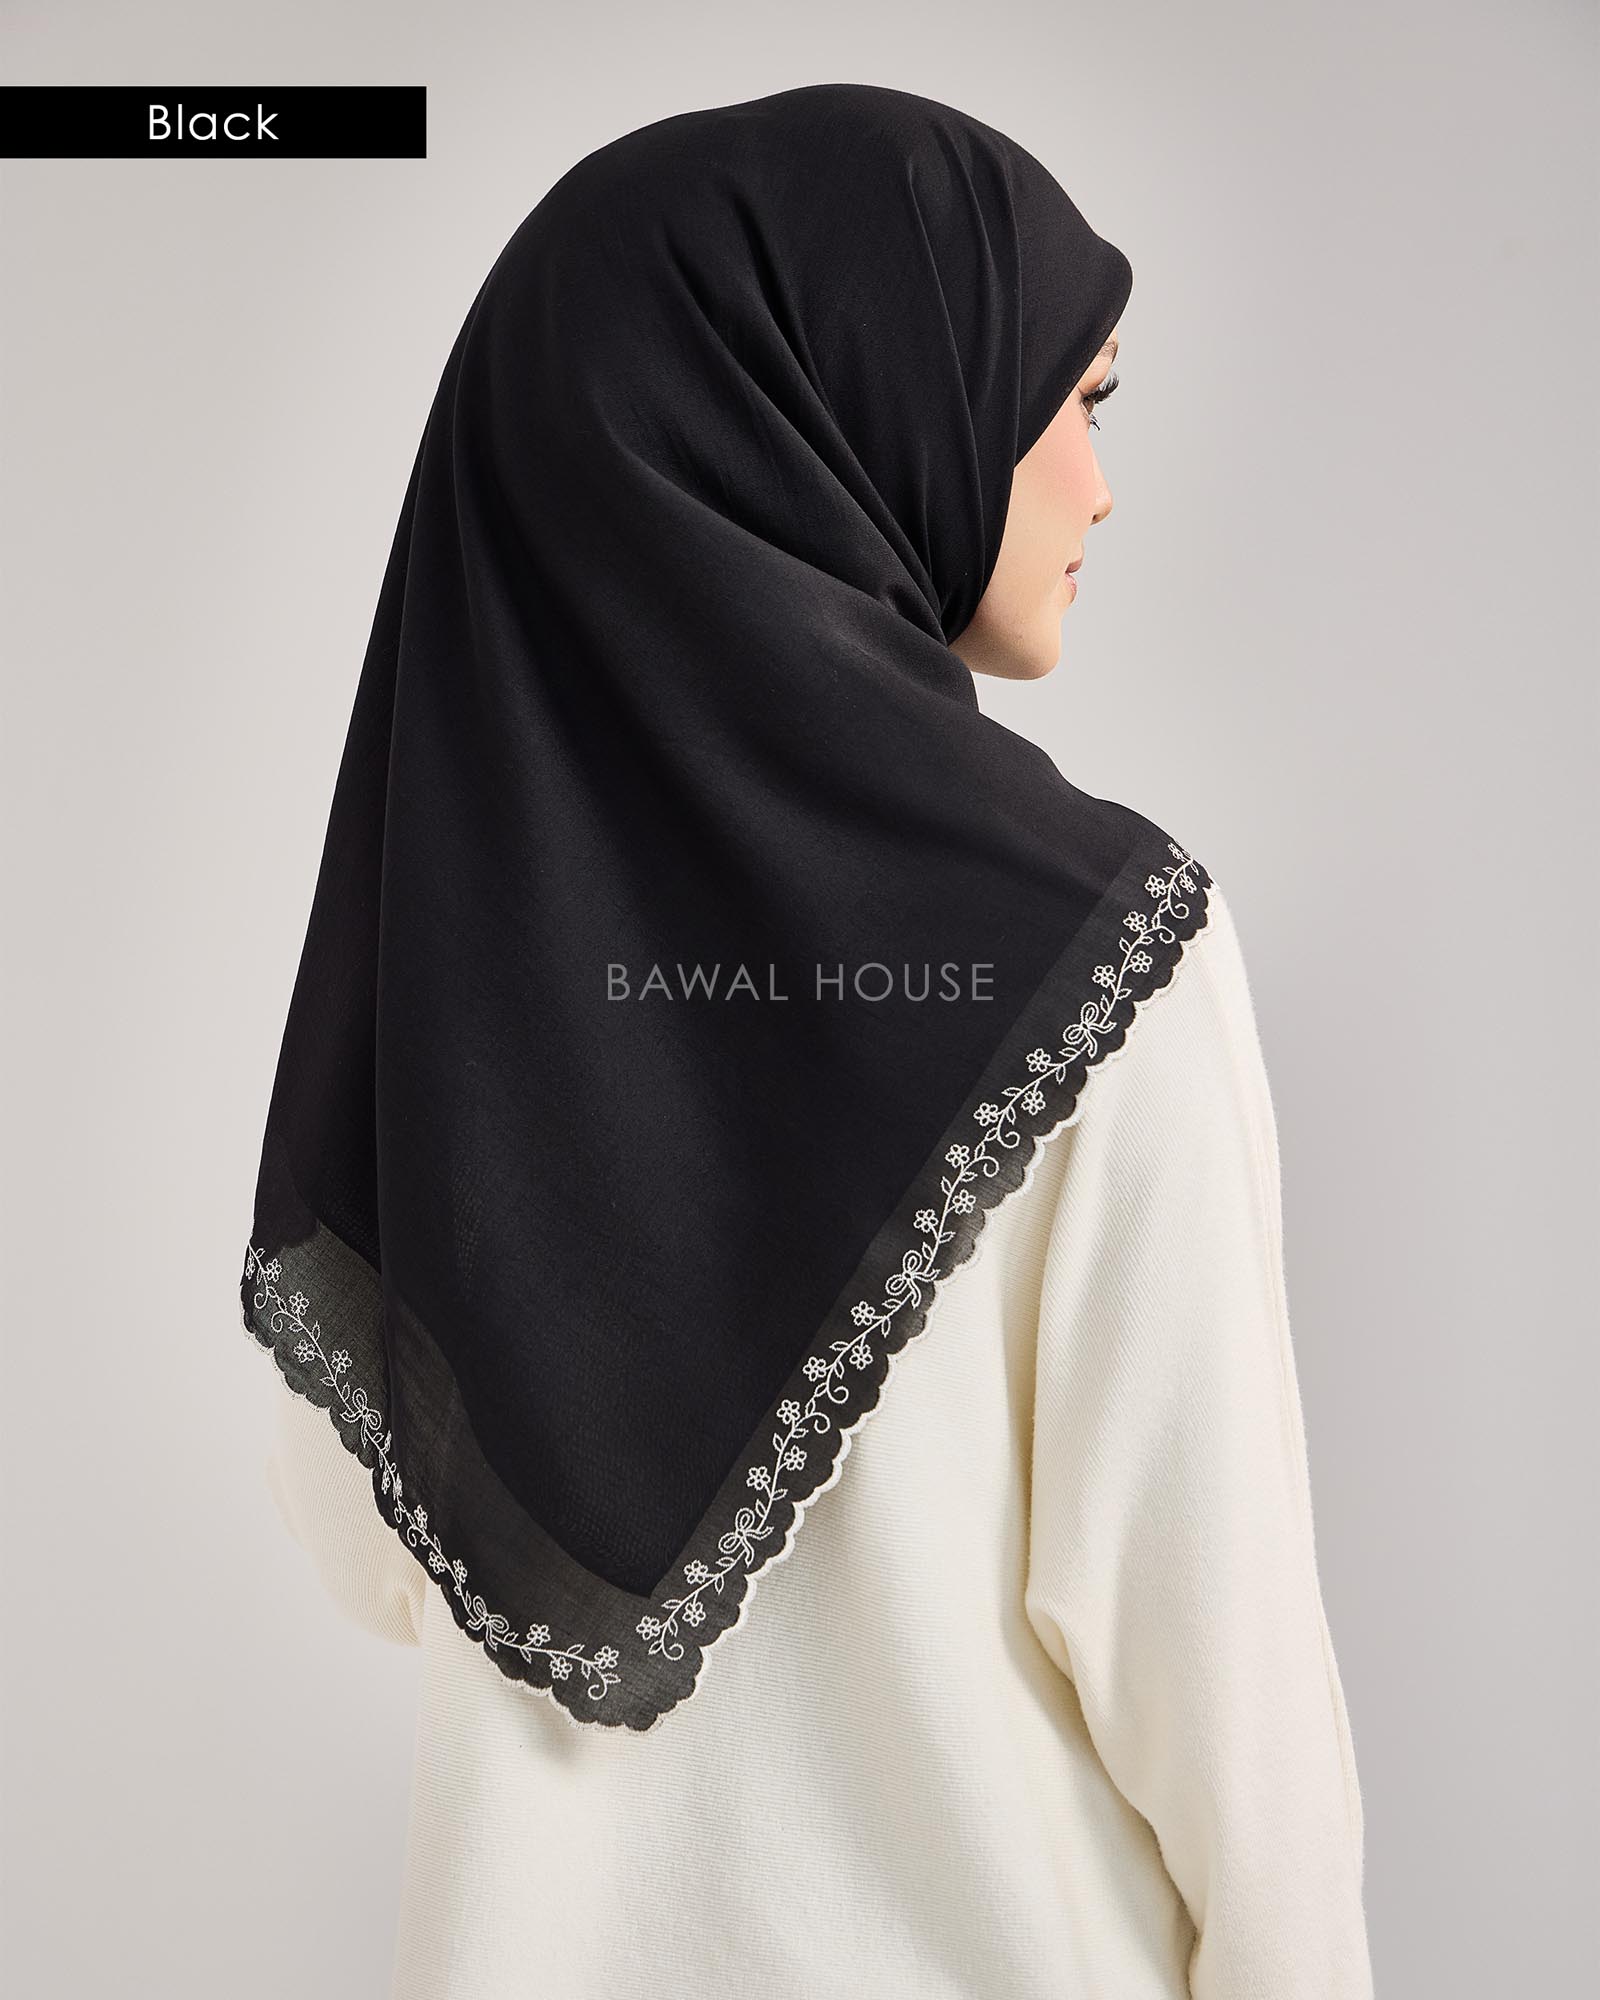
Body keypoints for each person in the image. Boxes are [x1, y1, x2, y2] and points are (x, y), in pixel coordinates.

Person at [244, 82, 1373, 1999]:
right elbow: (1227, 1707)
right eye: (1078, 399)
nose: (1102, 485)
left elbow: (368, 1551)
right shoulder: (1109, 962)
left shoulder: (461, 973)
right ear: (845, 400)